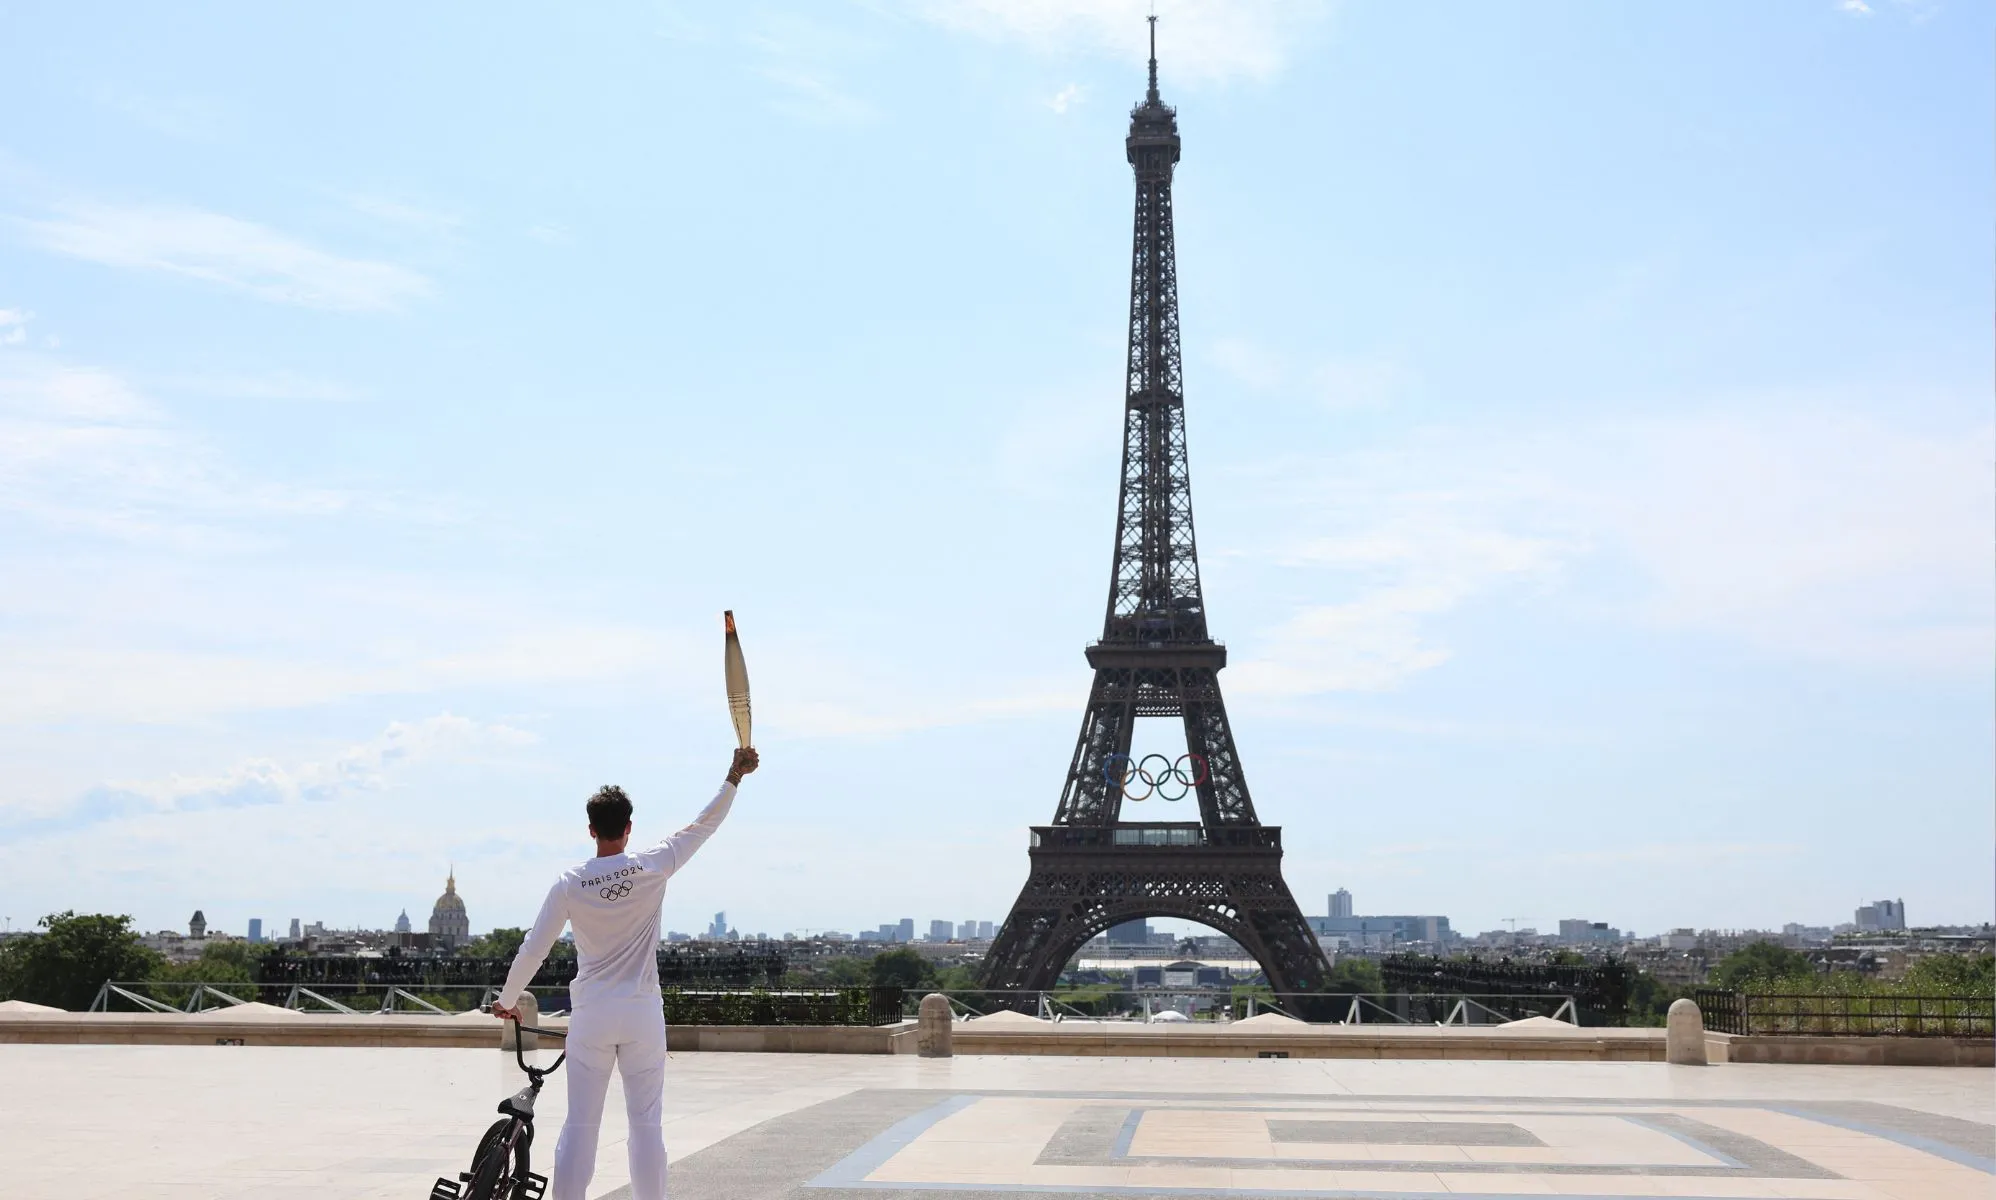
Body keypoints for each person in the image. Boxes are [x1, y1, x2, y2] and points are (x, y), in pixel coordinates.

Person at [491, 746, 759, 1200]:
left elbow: (534, 947)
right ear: (628, 828)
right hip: (641, 1014)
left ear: (591, 829)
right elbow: (704, 824)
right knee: (646, 1125)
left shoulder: (570, 882)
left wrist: (508, 998)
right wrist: (734, 774)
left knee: (581, 1125)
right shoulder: (653, 865)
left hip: (592, 1015)